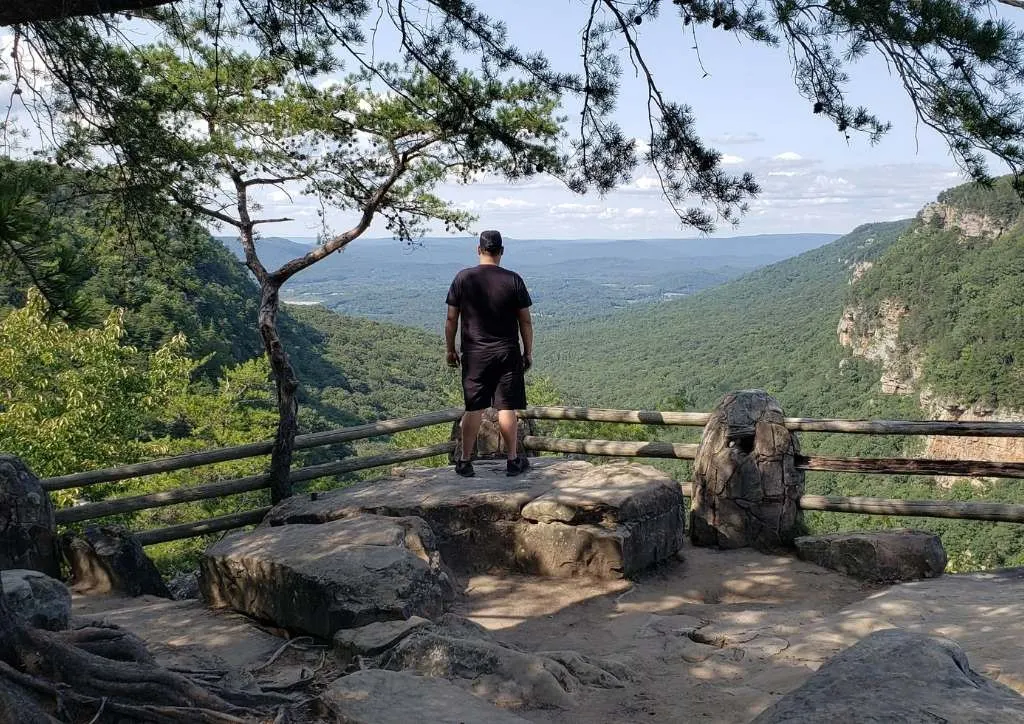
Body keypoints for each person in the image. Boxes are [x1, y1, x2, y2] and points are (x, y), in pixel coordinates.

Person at [445, 229, 533, 477]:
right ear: (501, 251)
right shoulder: (513, 279)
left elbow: (451, 318)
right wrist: (528, 352)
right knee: (507, 407)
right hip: (507, 351)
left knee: (474, 407)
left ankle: (464, 461)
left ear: (478, 250)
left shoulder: (463, 278)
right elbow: (525, 321)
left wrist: (450, 349)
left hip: (474, 353)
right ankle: (513, 460)